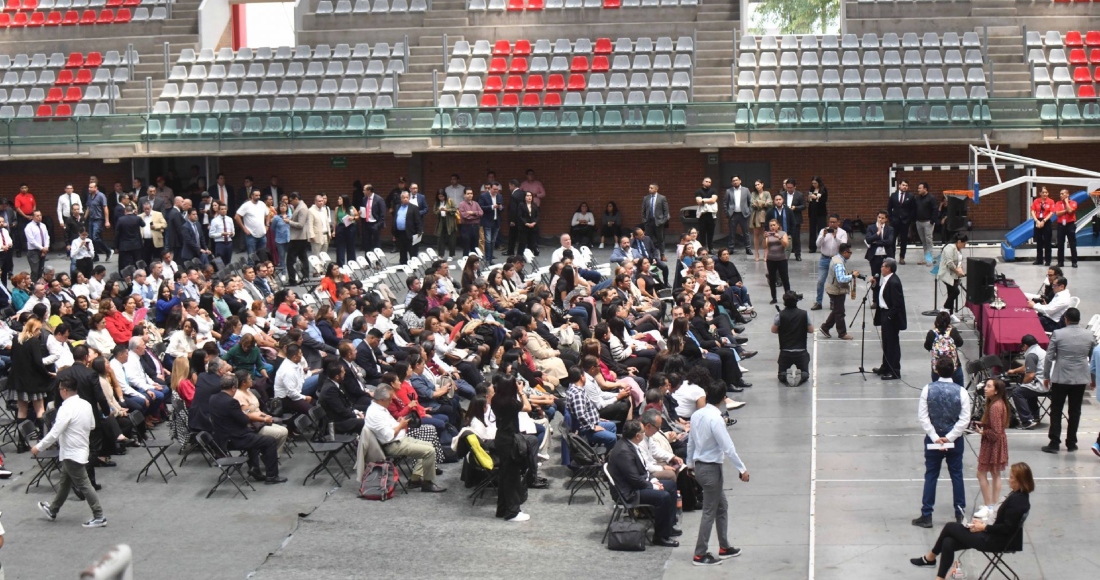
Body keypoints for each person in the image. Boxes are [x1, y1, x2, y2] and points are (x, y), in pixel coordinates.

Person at [910, 462, 1033, 580]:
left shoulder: (1018, 501)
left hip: (995, 540)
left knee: (950, 527)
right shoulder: (1018, 495)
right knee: (948, 542)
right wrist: (983, 523)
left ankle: (930, 557)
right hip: (993, 534)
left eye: (1012, 478)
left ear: (1021, 481)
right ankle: (939, 577)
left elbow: (1007, 528)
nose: (1008, 479)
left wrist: (983, 527)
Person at [687, 380, 749, 566]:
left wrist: (690, 464)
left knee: (721, 506)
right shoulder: (716, 419)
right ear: (723, 398)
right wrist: (742, 469)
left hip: (700, 467)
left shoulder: (697, 415)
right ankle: (699, 554)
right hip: (710, 470)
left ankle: (724, 546)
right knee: (709, 511)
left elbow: (691, 442)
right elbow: (728, 447)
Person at [34, 378, 107, 528]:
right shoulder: (85, 404)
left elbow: (55, 432)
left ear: (64, 391)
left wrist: (39, 447)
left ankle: (99, 515)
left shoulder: (66, 408)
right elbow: (92, 425)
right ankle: (53, 510)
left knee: (84, 484)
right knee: (65, 482)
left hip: (71, 452)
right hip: (80, 448)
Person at [913, 357, 971, 528]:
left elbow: (923, 417)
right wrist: (951, 437)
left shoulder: (927, 390)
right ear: (954, 370)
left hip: (934, 440)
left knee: (931, 475)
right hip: (955, 441)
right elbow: (965, 418)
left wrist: (935, 436)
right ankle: (959, 514)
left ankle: (927, 515)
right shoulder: (961, 392)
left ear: (936, 370)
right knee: (957, 475)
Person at [607, 419, 681, 546]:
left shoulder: (631, 445)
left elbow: (642, 470)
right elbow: (634, 479)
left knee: (671, 486)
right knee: (663, 497)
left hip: (635, 485)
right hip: (629, 492)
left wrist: (653, 479)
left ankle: (668, 526)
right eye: (642, 432)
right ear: (637, 436)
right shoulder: (624, 452)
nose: (644, 433)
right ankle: (660, 537)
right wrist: (653, 486)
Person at [208, 374, 286, 485]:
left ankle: (255, 469)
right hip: (235, 438)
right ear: (234, 388)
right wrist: (244, 414)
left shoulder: (213, 398)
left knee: (254, 439)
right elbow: (244, 420)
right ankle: (272, 476)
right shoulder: (231, 402)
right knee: (269, 441)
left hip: (221, 438)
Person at [365, 384, 445, 492]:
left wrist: (398, 423)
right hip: (392, 445)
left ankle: (415, 480)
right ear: (383, 399)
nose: (391, 402)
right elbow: (389, 436)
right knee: (429, 451)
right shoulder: (375, 413)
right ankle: (427, 483)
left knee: (429, 445)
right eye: (390, 400)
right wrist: (401, 426)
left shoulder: (379, 408)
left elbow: (389, 427)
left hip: (398, 439)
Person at [1042, 307, 1094, 454]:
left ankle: (1054, 442)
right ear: (1079, 319)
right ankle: (1071, 442)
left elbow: (1049, 356)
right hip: (1080, 378)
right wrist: (1093, 378)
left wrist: (1046, 376)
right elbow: (1094, 358)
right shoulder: (1089, 335)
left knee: (1056, 410)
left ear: (1066, 319)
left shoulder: (1058, 334)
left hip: (1061, 377)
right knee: (1075, 410)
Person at [490, 373, 534, 522]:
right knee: (512, 477)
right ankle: (513, 512)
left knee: (504, 476)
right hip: (510, 441)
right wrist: (521, 392)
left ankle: (502, 509)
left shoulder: (496, 399)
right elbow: (527, 407)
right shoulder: (510, 402)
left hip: (501, 438)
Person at [975, 378, 1010, 521]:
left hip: (992, 445)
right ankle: (993, 506)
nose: (985, 388)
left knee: (981, 473)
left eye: (988, 386)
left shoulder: (995, 407)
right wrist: (983, 424)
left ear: (996, 391)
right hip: (998, 443)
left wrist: (983, 432)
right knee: (996, 474)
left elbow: (995, 433)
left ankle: (989, 505)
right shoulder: (998, 404)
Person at [772, 291, 813, 386]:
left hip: (785, 352)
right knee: (806, 373)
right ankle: (802, 375)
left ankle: (785, 375)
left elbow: (773, 330)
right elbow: (810, 330)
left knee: (780, 375)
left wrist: (783, 329)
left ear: (784, 302)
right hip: (801, 352)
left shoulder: (780, 315)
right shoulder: (804, 314)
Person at [1008, 334, 1047, 430]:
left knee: (1017, 392)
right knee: (1028, 389)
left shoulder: (1031, 355)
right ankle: (1035, 416)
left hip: (1041, 385)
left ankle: (1027, 421)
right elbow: (1027, 367)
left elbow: (1030, 375)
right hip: (1048, 383)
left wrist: (1023, 384)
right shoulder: (1041, 351)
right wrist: (1014, 371)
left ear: (1025, 346)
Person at [819, 242, 857, 341]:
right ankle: (842, 333)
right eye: (850, 252)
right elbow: (841, 279)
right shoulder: (839, 263)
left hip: (833, 288)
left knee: (836, 310)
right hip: (837, 290)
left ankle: (825, 327)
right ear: (845, 252)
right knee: (840, 312)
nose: (850, 254)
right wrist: (852, 276)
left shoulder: (836, 258)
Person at [813, 214, 848, 310]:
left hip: (836, 259)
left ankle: (833, 302)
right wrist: (823, 236)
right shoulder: (823, 230)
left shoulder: (842, 232)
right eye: (830, 222)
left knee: (834, 282)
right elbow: (817, 244)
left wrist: (836, 236)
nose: (832, 224)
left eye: (834, 222)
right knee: (820, 281)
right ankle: (818, 302)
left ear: (838, 222)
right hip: (824, 258)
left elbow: (844, 246)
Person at [924, 311, 965, 385]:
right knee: (960, 391)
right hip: (954, 368)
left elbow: (927, 346)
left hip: (937, 369)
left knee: (938, 391)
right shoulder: (953, 331)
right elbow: (960, 343)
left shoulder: (932, 333)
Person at [285, 192, 312, 285]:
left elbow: (300, 224)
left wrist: (289, 221)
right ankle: (305, 276)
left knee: (290, 259)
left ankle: (292, 280)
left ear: (296, 198)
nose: (290, 202)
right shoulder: (299, 207)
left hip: (298, 238)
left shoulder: (302, 208)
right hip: (299, 238)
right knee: (303, 257)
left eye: (291, 200)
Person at [936, 233, 967, 314]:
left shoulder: (958, 249)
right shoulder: (949, 248)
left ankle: (950, 313)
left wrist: (960, 270)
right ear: (959, 241)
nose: (965, 246)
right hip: (946, 274)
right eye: (964, 243)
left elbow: (959, 261)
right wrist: (957, 271)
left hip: (954, 275)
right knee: (955, 291)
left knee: (951, 292)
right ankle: (945, 307)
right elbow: (950, 263)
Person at [888, 179, 917, 264]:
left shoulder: (911, 196)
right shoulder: (893, 195)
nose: (905, 187)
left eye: (906, 185)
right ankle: (892, 257)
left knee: (904, 240)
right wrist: (891, 218)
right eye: (903, 185)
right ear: (899, 185)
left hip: (905, 222)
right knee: (892, 240)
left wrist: (909, 219)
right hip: (894, 221)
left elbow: (913, 209)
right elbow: (889, 208)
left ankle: (902, 257)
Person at [763, 218, 791, 304]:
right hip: (771, 259)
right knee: (772, 279)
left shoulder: (783, 233)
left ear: (778, 225)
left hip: (781, 259)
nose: (772, 227)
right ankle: (774, 298)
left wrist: (779, 238)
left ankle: (788, 297)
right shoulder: (768, 234)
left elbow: (786, 245)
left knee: (785, 278)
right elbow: (764, 246)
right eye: (770, 225)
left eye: (774, 225)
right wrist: (764, 238)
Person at [724, 176, 753, 255]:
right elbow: (725, 203)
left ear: (740, 181)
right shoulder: (728, 191)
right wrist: (727, 213)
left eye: (737, 180)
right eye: (733, 181)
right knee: (732, 233)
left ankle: (748, 249)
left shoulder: (746, 190)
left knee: (746, 232)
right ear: (731, 183)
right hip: (733, 215)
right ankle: (731, 248)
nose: (735, 182)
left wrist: (749, 212)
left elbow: (750, 202)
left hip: (744, 215)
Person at [392, 191, 422, 265]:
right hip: (400, 233)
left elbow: (418, 221)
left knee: (412, 250)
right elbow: (395, 218)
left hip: (411, 232)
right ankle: (403, 264)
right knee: (402, 250)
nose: (405, 199)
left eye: (407, 197)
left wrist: (419, 232)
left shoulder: (414, 207)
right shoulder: (397, 207)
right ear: (401, 198)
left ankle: (413, 265)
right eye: (404, 197)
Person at [864, 210, 896, 279]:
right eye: (879, 217)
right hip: (875, 256)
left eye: (882, 218)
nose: (880, 219)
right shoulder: (871, 228)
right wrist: (877, 233)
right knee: (875, 278)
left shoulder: (890, 229)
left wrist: (876, 242)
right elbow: (868, 240)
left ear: (886, 219)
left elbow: (890, 242)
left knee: (889, 278)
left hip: (887, 256)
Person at [913, 182, 939, 266]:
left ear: (925, 189)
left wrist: (932, 221)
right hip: (919, 222)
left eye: (920, 188)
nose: (918, 190)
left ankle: (929, 260)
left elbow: (935, 209)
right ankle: (926, 258)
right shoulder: (917, 198)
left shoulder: (931, 198)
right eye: (918, 188)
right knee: (923, 241)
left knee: (928, 241)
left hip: (928, 222)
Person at [642, 184, 669, 260]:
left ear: (656, 189)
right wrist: (644, 220)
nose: (649, 189)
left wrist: (663, 221)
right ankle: (649, 255)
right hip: (648, 222)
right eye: (649, 187)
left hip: (658, 222)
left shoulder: (662, 198)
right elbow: (643, 210)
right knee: (648, 239)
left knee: (660, 239)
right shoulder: (646, 198)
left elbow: (666, 211)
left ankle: (662, 255)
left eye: (651, 188)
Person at [478, 182, 503, 263]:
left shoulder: (499, 196)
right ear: (490, 188)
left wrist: (501, 207)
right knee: (488, 240)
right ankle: (487, 259)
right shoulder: (483, 196)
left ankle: (490, 258)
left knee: (493, 241)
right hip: (487, 221)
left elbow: (502, 208)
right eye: (494, 189)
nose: (496, 191)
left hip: (496, 221)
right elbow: (481, 207)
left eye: (497, 189)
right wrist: (492, 207)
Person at [1030, 186, 1056, 266]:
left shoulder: (1051, 201)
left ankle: (1048, 260)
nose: (1045, 194)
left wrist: (1044, 221)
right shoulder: (1036, 201)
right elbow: (1032, 211)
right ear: (1040, 193)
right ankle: (1039, 260)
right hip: (1038, 221)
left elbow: (1051, 212)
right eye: (1043, 192)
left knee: (1047, 242)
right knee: (1039, 242)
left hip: (1046, 222)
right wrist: (1037, 221)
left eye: (1046, 192)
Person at [1053, 188, 1078, 268]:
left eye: (1063, 193)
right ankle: (1060, 262)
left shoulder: (1074, 202)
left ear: (1067, 194)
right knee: (1060, 244)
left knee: (1072, 243)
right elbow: (1057, 213)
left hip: (1070, 225)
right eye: (1060, 194)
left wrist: (1067, 202)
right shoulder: (1058, 203)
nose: (1061, 195)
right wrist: (1066, 210)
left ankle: (1074, 262)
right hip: (1061, 225)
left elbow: (1071, 211)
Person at [749, 179, 772, 262]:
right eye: (755, 185)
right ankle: (756, 252)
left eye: (758, 184)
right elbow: (752, 204)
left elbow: (770, 204)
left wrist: (759, 203)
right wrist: (763, 203)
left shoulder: (767, 193)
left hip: (765, 215)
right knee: (756, 234)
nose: (757, 186)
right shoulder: (753, 193)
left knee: (765, 234)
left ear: (762, 184)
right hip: (756, 216)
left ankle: (766, 253)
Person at [694, 177, 719, 252]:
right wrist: (709, 200)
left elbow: (714, 200)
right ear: (703, 182)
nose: (708, 183)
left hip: (711, 215)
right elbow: (698, 201)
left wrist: (703, 200)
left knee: (710, 233)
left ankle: (711, 248)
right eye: (706, 181)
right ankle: (703, 249)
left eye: (709, 182)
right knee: (702, 233)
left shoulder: (713, 190)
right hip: (702, 215)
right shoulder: (698, 191)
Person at [24, 210, 49, 282]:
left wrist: (46, 247)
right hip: (33, 251)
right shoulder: (29, 227)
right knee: (35, 270)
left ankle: (39, 285)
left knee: (41, 270)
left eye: (40, 215)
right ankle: (33, 286)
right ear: (32, 217)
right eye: (37, 216)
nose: (39, 217)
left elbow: (47, 237)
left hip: (43, 250)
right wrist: (41, 248)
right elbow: (31, 240)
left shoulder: (43, 225)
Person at [805, 176, 828, 254]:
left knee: (821, 230)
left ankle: (823, 247)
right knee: (812, 230)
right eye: (812, 183)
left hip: (821, 212)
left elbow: (824, 200)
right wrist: (809, 198)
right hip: (812, 212)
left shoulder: (823, 189)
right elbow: (809, 200)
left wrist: (816, 197)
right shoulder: (811, 189)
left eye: (815, 183)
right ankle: (812, 247)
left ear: (819, 183)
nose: (814, 184)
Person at [457, 189, 483, 256]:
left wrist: (472, 213)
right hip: (466, 227)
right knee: (466, 246)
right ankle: (465, 262)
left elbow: (481, 213)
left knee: (475, 247)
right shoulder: (461, 204)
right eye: (468, 193)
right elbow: (465, 216)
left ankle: (474, 262)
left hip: (475, 227)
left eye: (471, 193)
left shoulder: (476, 203)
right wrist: (476, 216)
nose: (470, 195)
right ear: (464, 195)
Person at [433, 189, 459, 259]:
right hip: (441, 221)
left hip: (450, 222)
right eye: (439, 196)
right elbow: (434, 211)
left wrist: (447, 210)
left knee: (452, 239)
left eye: (442, 196)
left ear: (445, 196)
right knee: (440, 239)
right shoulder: (437, 202)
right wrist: (439, 210)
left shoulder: (449, 201)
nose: (441, 198)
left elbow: (455, 209)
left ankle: (451, 255)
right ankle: (441, 254)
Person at [361, 184, 386, 253]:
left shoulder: (379, 199)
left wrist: (378, 225)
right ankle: (367, 260)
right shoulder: (364, 199)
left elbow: (382, 214)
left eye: (364, 190)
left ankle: (377, 261)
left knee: (376, 243)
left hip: (375, 223)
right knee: (366, 243)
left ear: (369, 191)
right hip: (367, 223)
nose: (363, 192)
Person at [517, 190, 539, 256]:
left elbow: (537, 215)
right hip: (524, 227)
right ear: (524, 197)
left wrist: (534, 222)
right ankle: (520, 256)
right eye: (527, 196)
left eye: (530, 196)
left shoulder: (534, 205)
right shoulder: (521, 205)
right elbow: (520, 216)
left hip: (533, 227)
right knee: (522, 242)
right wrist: (526, 223)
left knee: (532, 242)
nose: (529, 197)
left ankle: (529, 255)